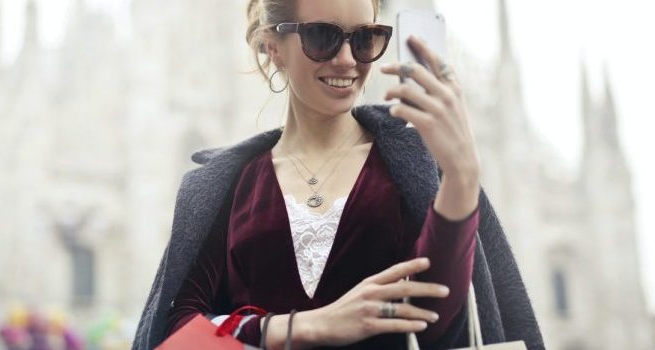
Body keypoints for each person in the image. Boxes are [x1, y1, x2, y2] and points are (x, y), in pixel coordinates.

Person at [132, 0, 544, 349]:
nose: (347, 60)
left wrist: (461, 176)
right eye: (322, 37)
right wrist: (307, 325)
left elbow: (436, 322)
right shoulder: (229, 184)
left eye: (365, 39)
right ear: (273, 46)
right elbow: (178, 334)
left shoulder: (410, 167)